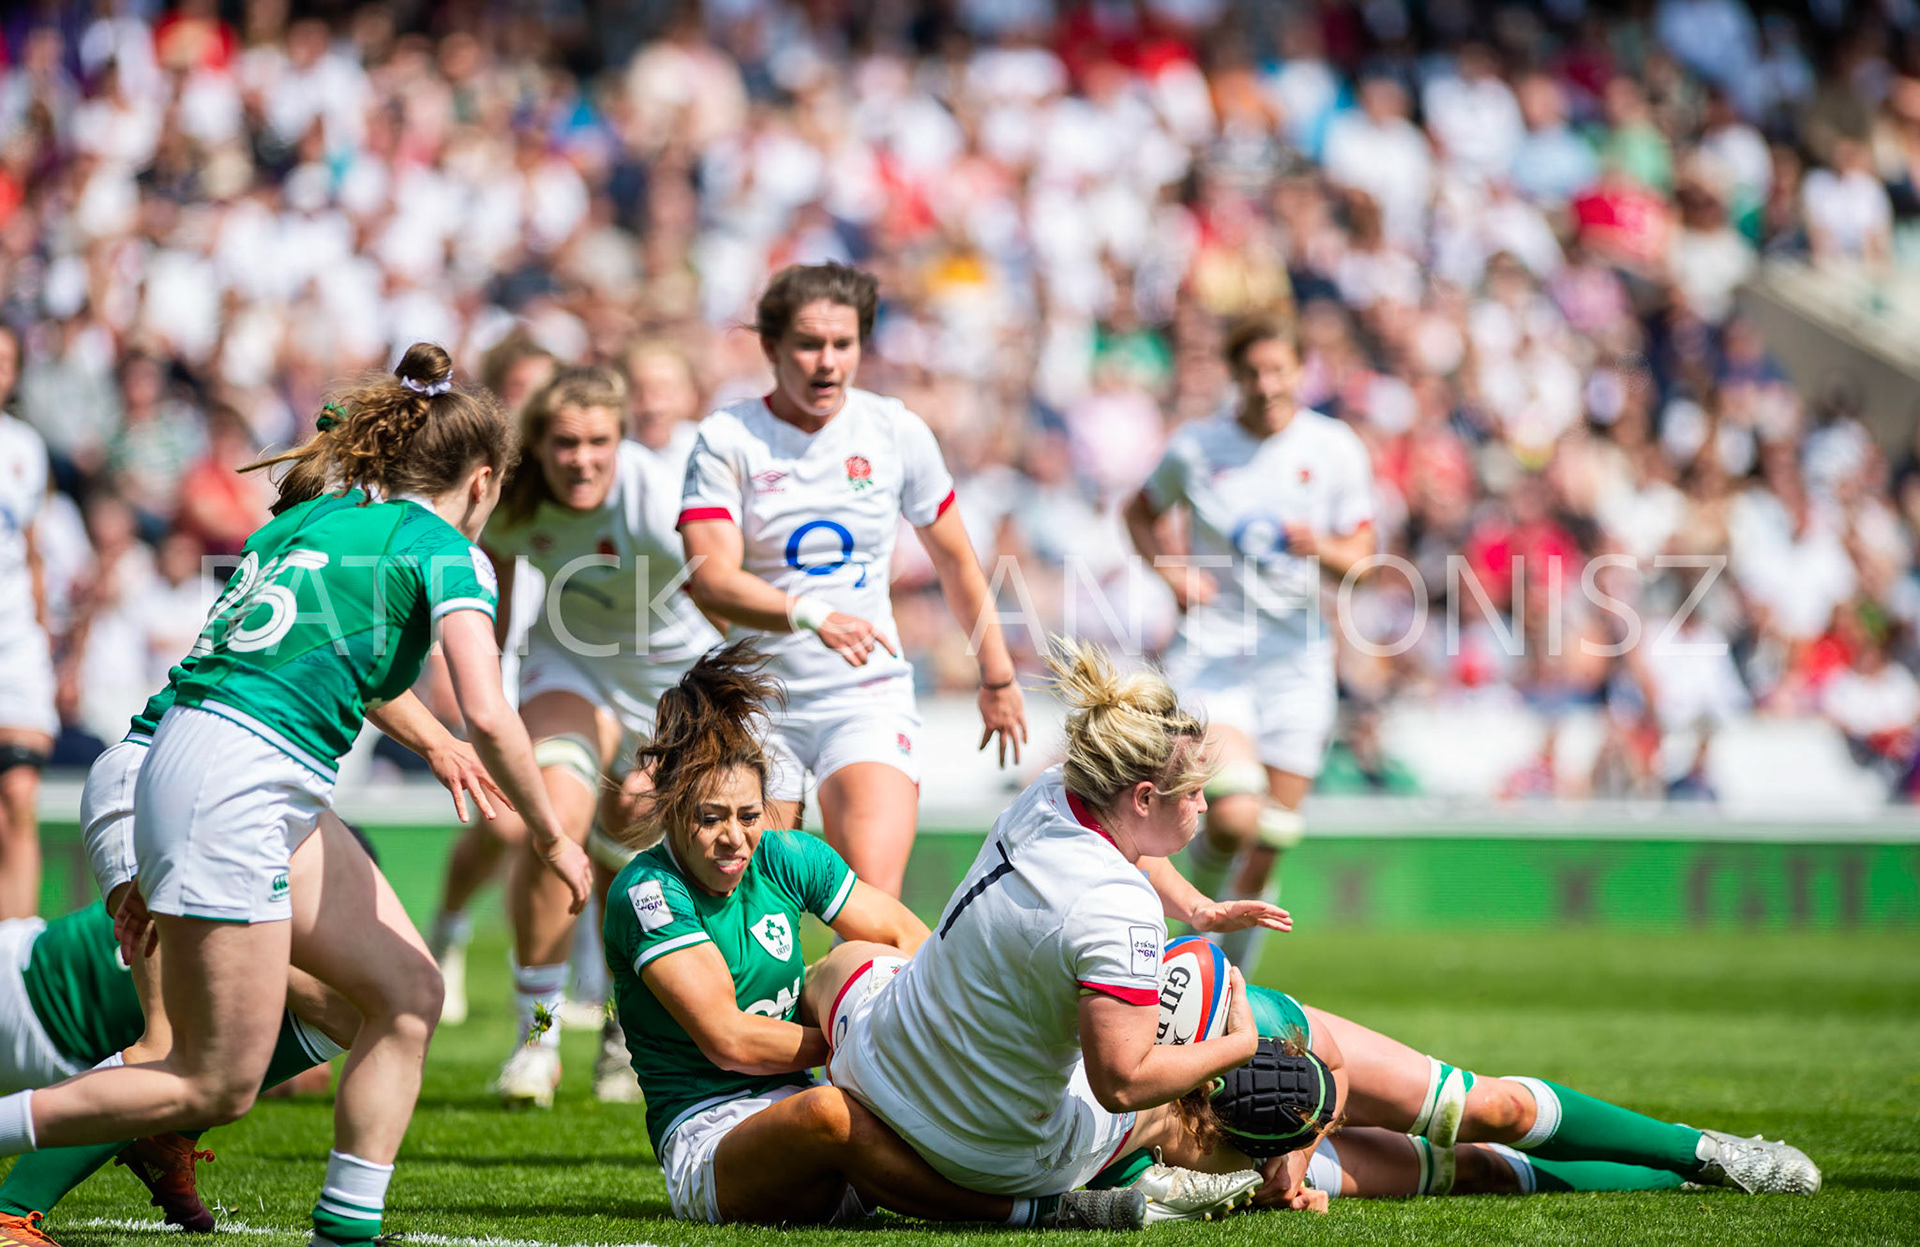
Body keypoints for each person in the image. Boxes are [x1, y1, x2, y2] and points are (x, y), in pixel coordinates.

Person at [0, 344, 592, 1247]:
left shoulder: (308, 525)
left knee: (403, 992)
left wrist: (434, 743)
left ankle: (345, 1233)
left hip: (222, 766)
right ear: (482, 480)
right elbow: (490, 710)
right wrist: (554, 835)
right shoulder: (444, 550)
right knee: (211, 1079)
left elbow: (322, 665)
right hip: (230, 775)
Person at [602, 641, 1140, 1229]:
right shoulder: (648, 892)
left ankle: (1209, 1156)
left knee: (866, 986)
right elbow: (728, 1039)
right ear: (675, 809)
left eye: (749, 816)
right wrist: (871, 1044)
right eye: (711, 818)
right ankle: (1033, 1213)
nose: (735, 838)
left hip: (827, 1099)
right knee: (830, 1114)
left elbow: (908, 938)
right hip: (713, 1137)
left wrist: (953, 1027)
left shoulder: (786, 857)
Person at [826, 638, 1292, 1217]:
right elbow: (1121, 1083)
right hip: (988, 1153)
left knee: (842, 963)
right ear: (1145, 797)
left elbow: (1132, 846)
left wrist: (1195, 907)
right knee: (1173, 1111)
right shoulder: (1120, 907)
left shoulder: (1054, 791)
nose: (1203, 805)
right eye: (1193, 792)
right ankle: (1202, 1179)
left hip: (877, 1072)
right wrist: (1237, 1047)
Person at [678, 262, 1026, 899]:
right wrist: (811, 613)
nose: (827, 362)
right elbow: (711, 579)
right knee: (749, 903)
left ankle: (856, 1000)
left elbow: (956, 562)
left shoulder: (895, 431)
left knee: (870, 897)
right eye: (809, 345)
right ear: (772, 347)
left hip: (865, 694)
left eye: (844, 344)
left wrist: (997, 674)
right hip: (755, 699)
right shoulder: (729, 437)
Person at [472, 365, 723, 1108]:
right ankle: (537, 1036)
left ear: (621, 439)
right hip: (571, 663)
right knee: (553, 823)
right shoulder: (514, 502)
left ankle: (619, 1028)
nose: (581, 458)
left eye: (597, 442)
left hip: (671, 677)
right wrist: (483, 681)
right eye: (564, 442)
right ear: (539, 445)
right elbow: (497, 594)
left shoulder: (660, 501)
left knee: (634, 830)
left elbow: (727, 596)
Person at [1124, 312, 1377, 973]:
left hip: (1296, 660)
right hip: (1215, 655)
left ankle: (1227, 991)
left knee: (1270, 841)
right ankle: (1185, 947)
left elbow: (1365, 559)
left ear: (1300, 369)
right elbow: (1140, 511)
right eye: (1253, 371)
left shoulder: (1334, 447)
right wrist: (1172, 572)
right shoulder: (1198, 447)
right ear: (1234, 375)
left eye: (1278, 369)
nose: (1266, 384)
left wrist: (1319, 545)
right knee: (1233, 817)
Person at [1216, 978, 1821, 1207]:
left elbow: (1331, 1063)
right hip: (1220, 1142)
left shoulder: (1201, 993)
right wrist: (1277, 1191)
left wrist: (1292, 1151)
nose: (1205, 805)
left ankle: (1702, 1152)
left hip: (1296, 1081)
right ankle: (1672, 1177)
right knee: (1477, 1174)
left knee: (1496, 1110)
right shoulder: (1125, 1128)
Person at [0, 902, 356, 1244]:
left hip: (37, 1000)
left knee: (350, 1010)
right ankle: (10, 1209)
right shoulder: (248, 903)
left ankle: (171, 1131)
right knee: (161, 1059)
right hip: (25, 1002)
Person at [0, 324, 55, 920]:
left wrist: (42, 641)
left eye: (7, 360)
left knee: (18, 794)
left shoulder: (24, 448)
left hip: (13, 644)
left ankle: (11, 957)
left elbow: (33, 552)